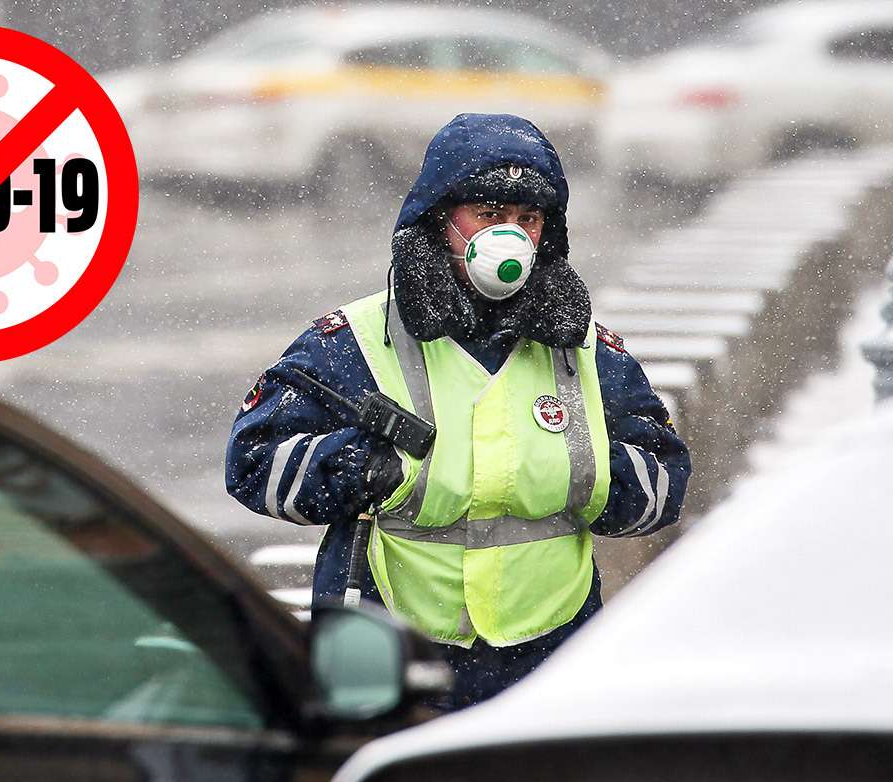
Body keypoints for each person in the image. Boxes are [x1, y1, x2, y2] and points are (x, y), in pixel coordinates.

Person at [225, 113, 691, 709]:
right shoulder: (355, 341)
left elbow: (664, 479)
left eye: (528, 218)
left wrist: (595, 476)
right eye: (490, 216)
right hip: (392, 645)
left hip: (552, 651)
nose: (511, 235)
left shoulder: (585, 350)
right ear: (440, 217)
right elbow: (252, 459)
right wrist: (360, 470)